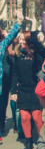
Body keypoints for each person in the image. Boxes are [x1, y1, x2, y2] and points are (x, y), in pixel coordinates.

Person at [11, 31, 43, 149]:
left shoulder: (36, 55)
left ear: (29, 42)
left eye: (24, 40)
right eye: (20, 39)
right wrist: (14, 91)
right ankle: (28, 141)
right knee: (24, 117)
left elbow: (42, 69)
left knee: (36, 117)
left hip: (35, 90)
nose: (21, 42)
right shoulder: (17, 54)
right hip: (23, 90)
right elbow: (15, 73)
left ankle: (42, 141)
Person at [0, 11, 23, 139]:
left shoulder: (1, 46)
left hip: (1, 80)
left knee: (2, 104)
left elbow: (9, 37)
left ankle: (2, 125)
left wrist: (19, 22)